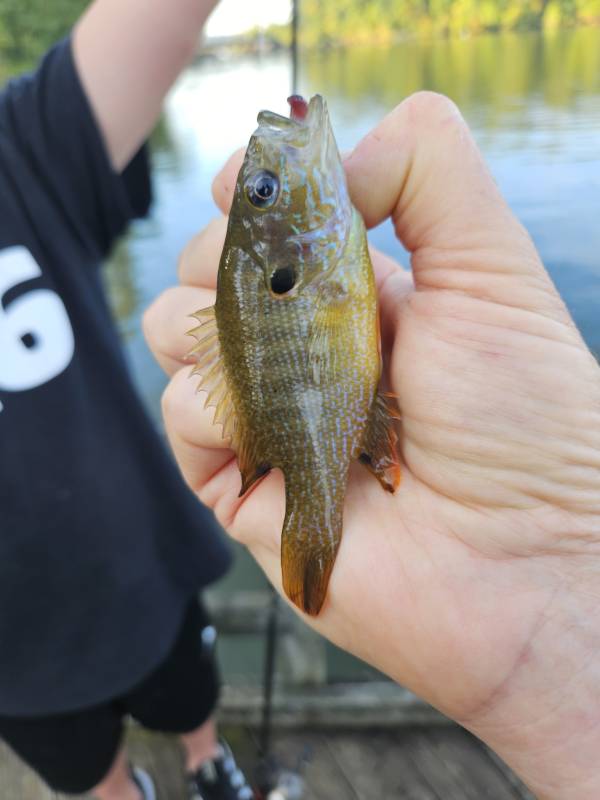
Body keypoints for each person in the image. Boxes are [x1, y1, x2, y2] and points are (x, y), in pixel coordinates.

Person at [144, 90, 600, 800]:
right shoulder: (317, 243)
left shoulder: (321, 240)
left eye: (262, 190)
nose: (269, 177)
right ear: (280, 241)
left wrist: (569, 558)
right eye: (265, 190)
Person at [0, 2, 254, 799]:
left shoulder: (21, 149)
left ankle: (208, 762)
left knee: (191, 694)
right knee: (85, 769)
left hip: (145, 568)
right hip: (15, 665)